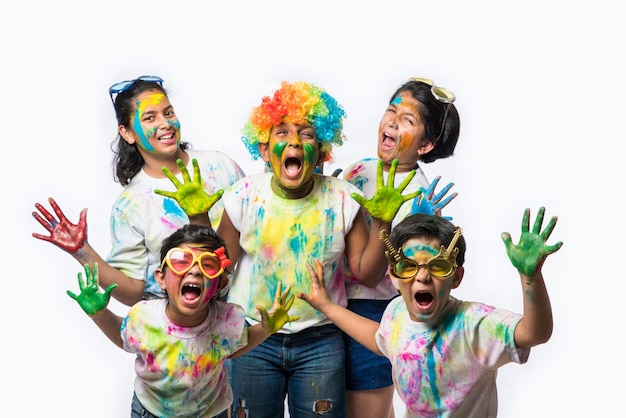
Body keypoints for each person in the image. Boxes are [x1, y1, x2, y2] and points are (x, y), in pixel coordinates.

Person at [207, 81, 419, 417]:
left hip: (320, 341)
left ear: (321, 152)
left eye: (306, 134)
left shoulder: (342, 197)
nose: (294, 141)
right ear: (264, 150)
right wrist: (197, 218)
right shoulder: (244, 196)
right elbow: (216, 270)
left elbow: (366, 273)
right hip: (253, 336)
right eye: (281, 133)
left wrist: (381, 223)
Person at [299, 208, 562, 417]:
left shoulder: (474, 324)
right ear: (393, 276)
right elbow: (381, 339)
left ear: (456, 277)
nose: (423, 276)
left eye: (437, 267)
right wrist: (327, 306)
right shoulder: (396, 312)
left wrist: (530, 277)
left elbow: (534, 333)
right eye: (409, 267)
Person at [32, 75, 245, 306]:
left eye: (169, 112)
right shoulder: (131, 204)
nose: (165, 123)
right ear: (127, 133)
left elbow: (253, 238)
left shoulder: (221, 165)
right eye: (149, 118)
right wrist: (83, 252)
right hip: (171, 329)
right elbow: (133, 291)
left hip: (236, 319)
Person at [67, 224, 299, 418]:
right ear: (162, 279)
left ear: (220, 285)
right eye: (181, 261)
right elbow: (123, 337)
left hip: (211, 412)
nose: (195, 271)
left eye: (207, 265)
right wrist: (100, 314)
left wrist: (267, 329)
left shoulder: (229, 319)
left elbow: (234, 347)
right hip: (152, 411)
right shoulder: (144, 317)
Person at [341, 77, 460, 418]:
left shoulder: (417, 194)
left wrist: (417, 227)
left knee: (366, 410)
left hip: (377, 311)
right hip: (336, 304)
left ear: (425, 145)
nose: (392, 121)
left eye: (408, 120)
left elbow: (381, 273)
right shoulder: (359, 169)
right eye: (391, 111)